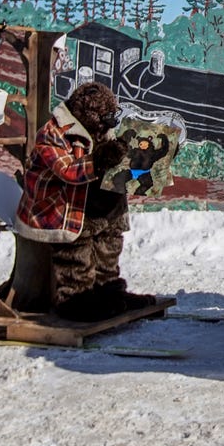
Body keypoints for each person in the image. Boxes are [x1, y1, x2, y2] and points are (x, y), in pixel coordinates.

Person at [14, 82, 154, 322]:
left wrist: (145, 159)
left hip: (87, 199)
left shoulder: (99, 129)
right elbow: (67, 170)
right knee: (76, 250)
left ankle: (108, 290)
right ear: (88, 114)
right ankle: (75, 298)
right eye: (106, 117)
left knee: (110, 234)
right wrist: (101, 160)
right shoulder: (53, 132)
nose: (110, 123)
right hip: (58, 207)